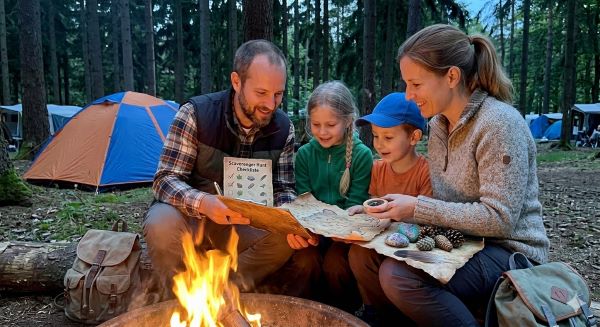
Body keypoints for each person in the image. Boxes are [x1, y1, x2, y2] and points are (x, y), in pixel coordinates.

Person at [357, 24, 550, 326]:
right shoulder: (438, 126)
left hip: (507, 252)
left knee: (399, 276)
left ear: (451, 76)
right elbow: (447, 205)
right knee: (367, 253)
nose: (409, 96)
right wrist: (393, 212)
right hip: (463, 241)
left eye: (416, 84)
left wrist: (417, 207)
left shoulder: (499, 125)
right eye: (406, 84)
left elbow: (500, 218)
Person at [144, 39, 311, 296]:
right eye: (261, 93)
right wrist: (204, 203)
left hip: (245, 224)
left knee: (284, 239)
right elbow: (164, 179)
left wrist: (289, 220)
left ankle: (221, 293)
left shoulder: (283, 128)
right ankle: (178, 296)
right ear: (237, 82)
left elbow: (283, 188)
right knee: (160, 224)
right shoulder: (196, 114)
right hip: (193, 217)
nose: (271, 104)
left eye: (278, 94)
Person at [346, 92, 432, 325]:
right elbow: (376, 201)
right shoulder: (378, 169)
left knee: (393, 269)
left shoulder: (425, 171)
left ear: (414, 136)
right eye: (375, 136)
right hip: (381, 240)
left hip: (411, 246)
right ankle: (375, 309)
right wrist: (363, 210)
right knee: (357, 254)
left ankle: (402, 313)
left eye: (388, 137)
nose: (379, 144)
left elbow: (428, 216)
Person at [290, 81, 373, 311]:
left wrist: (336, 230)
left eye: (330, 124)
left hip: (344, 234)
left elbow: (355, 202)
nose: (322, 132)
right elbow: (303, 199)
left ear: (347, 121)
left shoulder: (361, 155)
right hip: (313, 230)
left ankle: (341, 313)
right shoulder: (305, 154)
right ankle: (301, 311)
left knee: (335, 264)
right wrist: (312, 230)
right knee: (305, 261)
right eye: (316, 124)